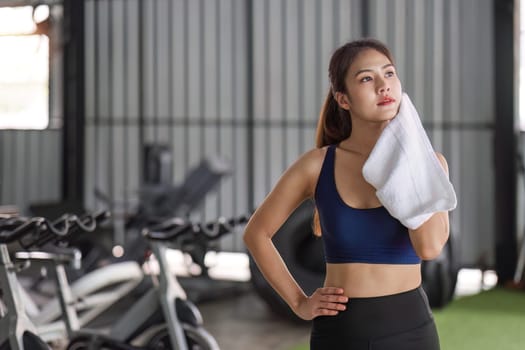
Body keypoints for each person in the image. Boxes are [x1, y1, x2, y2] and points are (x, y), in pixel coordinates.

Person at [243, 38, 449, 350]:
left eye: (389, 74)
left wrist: (413, 154)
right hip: (340, 332)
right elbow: (256, 233)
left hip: (410, 330)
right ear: (343, 99)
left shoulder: (430, 164)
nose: (383, 85)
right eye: (367, 78)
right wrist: (299, 302)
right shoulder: (317, 166)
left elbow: (429, 247)